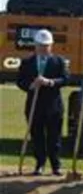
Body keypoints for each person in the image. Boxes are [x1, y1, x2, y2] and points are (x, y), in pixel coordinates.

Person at [16, 29, 68, 176]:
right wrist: (30, 86)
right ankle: (39, 164)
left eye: (46, 45)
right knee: (37, 136)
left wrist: (50, 82)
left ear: (51, 46)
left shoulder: (58, 61)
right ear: (35, 45)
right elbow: (20, 81)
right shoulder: (27, 62)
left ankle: (55, 165)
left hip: (53, 106)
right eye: (41, 45)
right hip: (34, 105)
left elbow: (65, 79)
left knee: (54, 137)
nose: (44, 48)